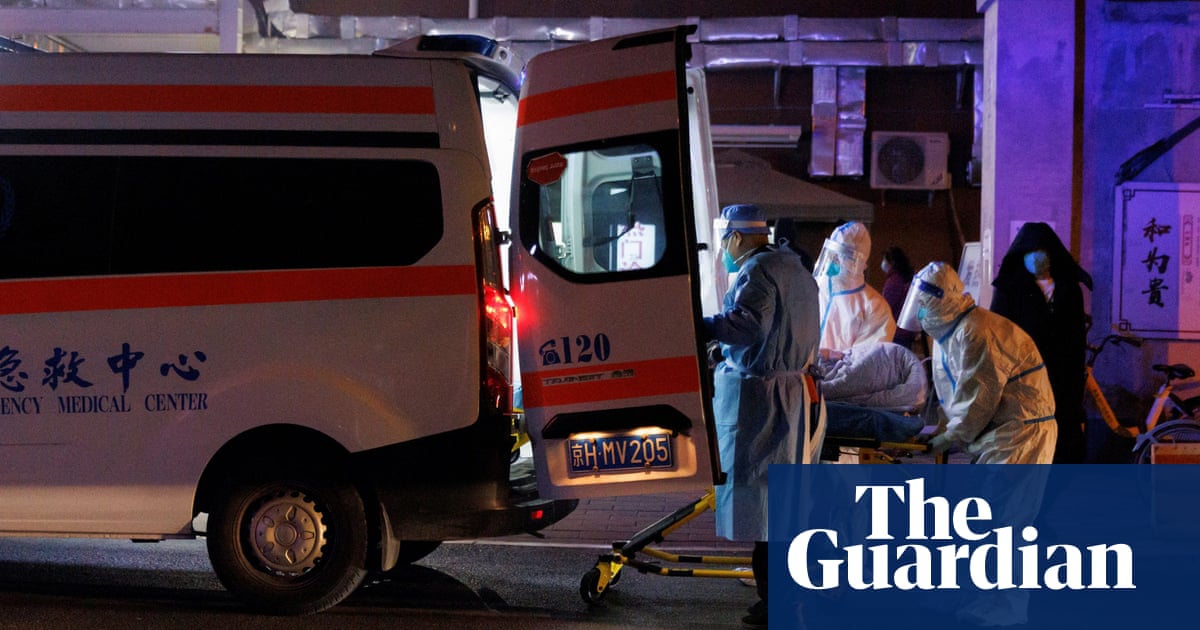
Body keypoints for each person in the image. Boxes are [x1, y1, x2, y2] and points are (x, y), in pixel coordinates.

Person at [704, 204, 823, 628]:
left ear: (736, 237)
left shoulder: (756, 272)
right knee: (780, 505)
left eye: (725, 242)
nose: (724, 251)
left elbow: (747, 327)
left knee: (765, 507)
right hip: (793, 395)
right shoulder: (795, 268)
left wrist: (704, 326)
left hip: (764, 402)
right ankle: (779, 599)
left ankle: (778, 603)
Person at [899, 261, 1057, 463]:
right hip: (999, 434)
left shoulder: (977, 332)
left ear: (941, 301)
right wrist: (943, 428)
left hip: (1020, 434)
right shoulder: (947, 335)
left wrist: (949, 437)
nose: (919, 311)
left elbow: (979, 396)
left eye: (923, 303)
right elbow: (953, 392)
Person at [990, 222, 1092, 464]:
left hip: (1062, 375)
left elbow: (1077, 337)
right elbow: (998, 333)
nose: (1036, 257)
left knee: (1064, 437)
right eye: (1030, 251)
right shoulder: (1010, 288)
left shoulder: (1069, 288)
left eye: (1041, 251)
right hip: (1024, 377)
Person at [813, 221, 896, 355]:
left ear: (857, 262)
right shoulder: (815, 290)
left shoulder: (875, 307)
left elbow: (865, 360)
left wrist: (828, 359)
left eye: (839, 257)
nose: (833, 262)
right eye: (831, 255)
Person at [880, 246, 919, 350]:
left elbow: (885, 307)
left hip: (895, 331)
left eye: (884, 260)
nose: (883, 263)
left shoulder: (894, 281)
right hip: (908, 329)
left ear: (892, 262)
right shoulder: (910, 277)